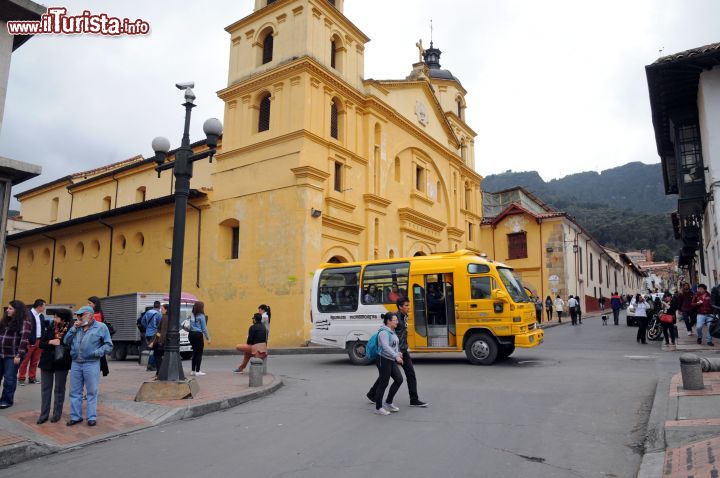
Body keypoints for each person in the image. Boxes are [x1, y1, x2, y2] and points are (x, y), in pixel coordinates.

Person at [367, 298, 428, 408]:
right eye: (406, 305)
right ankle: (376, 397)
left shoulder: (404, 316)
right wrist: (396, 353)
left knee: (409, 374)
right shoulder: (395, 318)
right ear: (400, 306)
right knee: (387, 375)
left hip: (403, 350)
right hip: (396, 352)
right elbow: (391, 336)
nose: (409, 307)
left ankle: (413, 399)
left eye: (409, 305)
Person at [64, 305, 113, 426]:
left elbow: (108, 345)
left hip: (91, 363)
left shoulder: (101, 327)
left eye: (81, 315)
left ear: (90, 315)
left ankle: (91, 417)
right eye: (78, 315)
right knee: (75, 391)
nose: (79, 318)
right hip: (76, 362)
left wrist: (96, 353)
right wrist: (73, 329)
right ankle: (75, 417)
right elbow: (66, 341)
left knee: (91, 391)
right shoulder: (76, 327)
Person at [36, 309, 73, 424]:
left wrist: (61, 344)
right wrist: (50, 342)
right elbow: (41, 343)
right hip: (47, 362)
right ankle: (44, 414)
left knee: (59, 389)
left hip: (62, 362)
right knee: (46, 388)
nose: (54, 319)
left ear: (64, 319)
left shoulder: (71, 329)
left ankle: (57, 414)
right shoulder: (51, 327)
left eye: (57, 317)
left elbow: (72, 345)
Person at [371, 312, 404, 416]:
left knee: (399, 379)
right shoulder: (383, 332)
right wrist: (396, 356)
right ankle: (378, 408)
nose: (397, 322)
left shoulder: (391, 331)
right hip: (383, 359)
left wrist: (397, 352)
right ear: (388, 321)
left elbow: (393, 345)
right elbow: (385, 347)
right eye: (395, 320)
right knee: (383, 383)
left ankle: (388, 402)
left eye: (397, 320)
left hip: (390, 359)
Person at [0, 301, 31, 409]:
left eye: (10, 309)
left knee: (9, 378)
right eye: (7, 308)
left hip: (12, 355)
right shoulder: (5, 321)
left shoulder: (24, 323)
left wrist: (18, 355)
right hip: (1, 353)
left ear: (17, 311)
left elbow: (24, 340)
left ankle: (6, 400)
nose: (7, 310)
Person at [18, 298, 47, 386]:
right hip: (28, 341)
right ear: (39, 306)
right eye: (44, 306)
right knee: (25, 361)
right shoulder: (28, 315)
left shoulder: (41, 316)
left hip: (39, 341)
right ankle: (21, 378)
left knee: (35, 361)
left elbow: (42, 328)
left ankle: (32, 377)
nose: (45, 308)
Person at [87, 296, 110, 377]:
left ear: (95, 304)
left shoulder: (96, 315)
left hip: (96, 339)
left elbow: (96, 328)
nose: (88, 305)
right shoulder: (97, 313)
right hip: (96, 338)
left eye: (90, 303)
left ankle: (99, 369)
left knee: (98, 356)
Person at [188, 301, 211, 376]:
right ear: (201, 307)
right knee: (199, 353)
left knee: (194, 352)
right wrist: (208, 338)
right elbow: (204, 328)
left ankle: (193, 371)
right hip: (198, 335)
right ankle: (198, 371)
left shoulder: (191, 315)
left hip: (191, 334)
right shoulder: (201, 316)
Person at [140, 302, 162, 371]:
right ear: (159, 306)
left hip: (148, 334)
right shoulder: (159, 314)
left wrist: (147, 327)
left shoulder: (148, 312)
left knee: (151, 348)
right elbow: (160, 324)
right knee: (154, 350)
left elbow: (142, 321)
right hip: (155, 334)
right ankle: (151, 365)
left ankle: (151, 365)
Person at [150, 304, 169, 377]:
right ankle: (160, 372)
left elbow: (162, 331)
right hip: (166, 340)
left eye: (162, 309)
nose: (161, 310)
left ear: (166, 309)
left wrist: (158, 341)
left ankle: (159, 372)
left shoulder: (164, 317)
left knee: (157, 356)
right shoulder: (169, 317)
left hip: (162, 340)